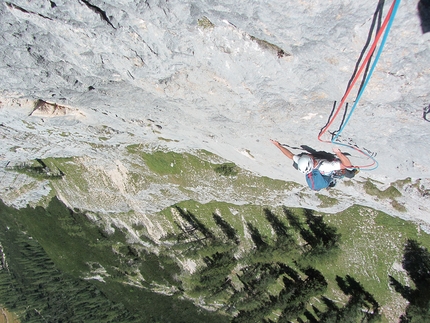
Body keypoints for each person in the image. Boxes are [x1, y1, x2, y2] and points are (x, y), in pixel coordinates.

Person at [270, 139, 358, 190]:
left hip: (318, 172)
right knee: (348, 173)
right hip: (326, 173)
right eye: (309, 156)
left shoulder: (303, 162)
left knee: (295, 163)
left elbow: (290, 155)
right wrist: (338, 153)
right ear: (313, 162)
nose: (308, 154)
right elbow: (347, 165)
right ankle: (354, 173)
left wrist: (278, 145)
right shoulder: (326, 166)